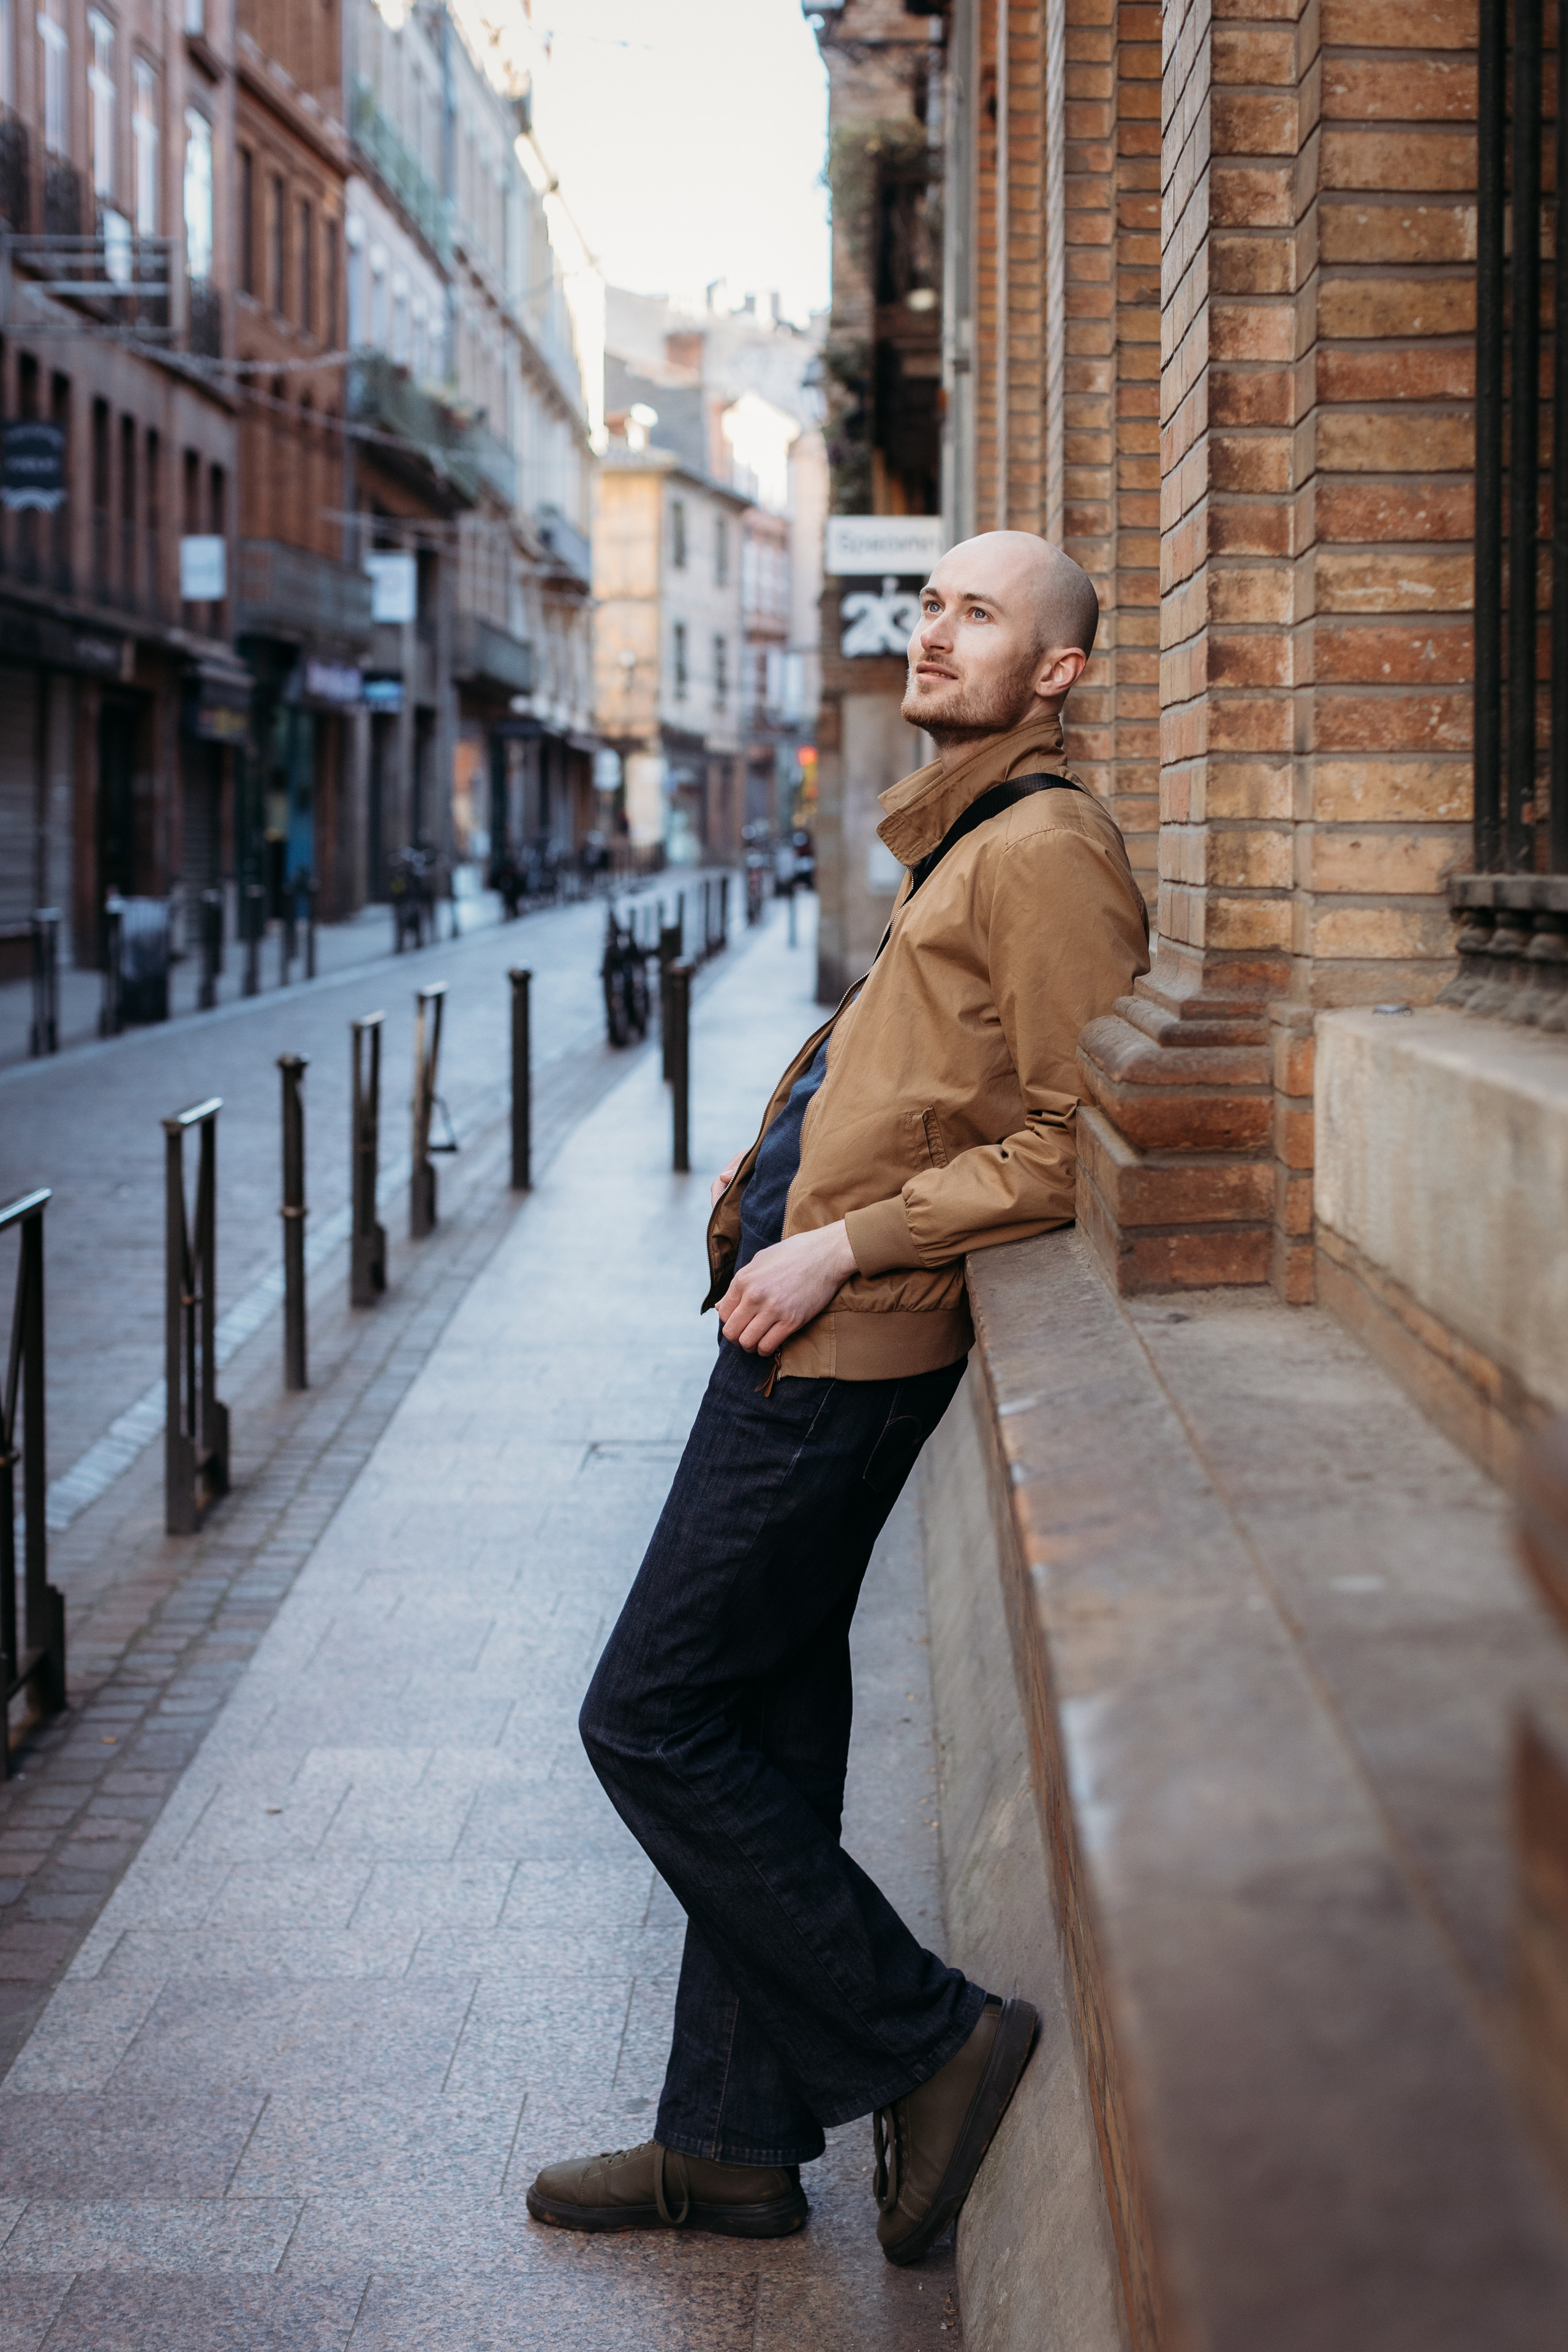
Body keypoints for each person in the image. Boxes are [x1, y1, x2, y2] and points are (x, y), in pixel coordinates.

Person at [527, 530, 1150, 2265]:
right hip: (805, 1325)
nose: (937, 630)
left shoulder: (1045, 854)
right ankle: (726, 2143)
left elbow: (1067, 1134)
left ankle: (927, 2038)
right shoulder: (963, 825)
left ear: (1059, 675)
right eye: (933, 600)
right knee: (772, 1729)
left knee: (647, 1718)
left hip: (845, 1342)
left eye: (985, 616)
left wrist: (839, 1243)